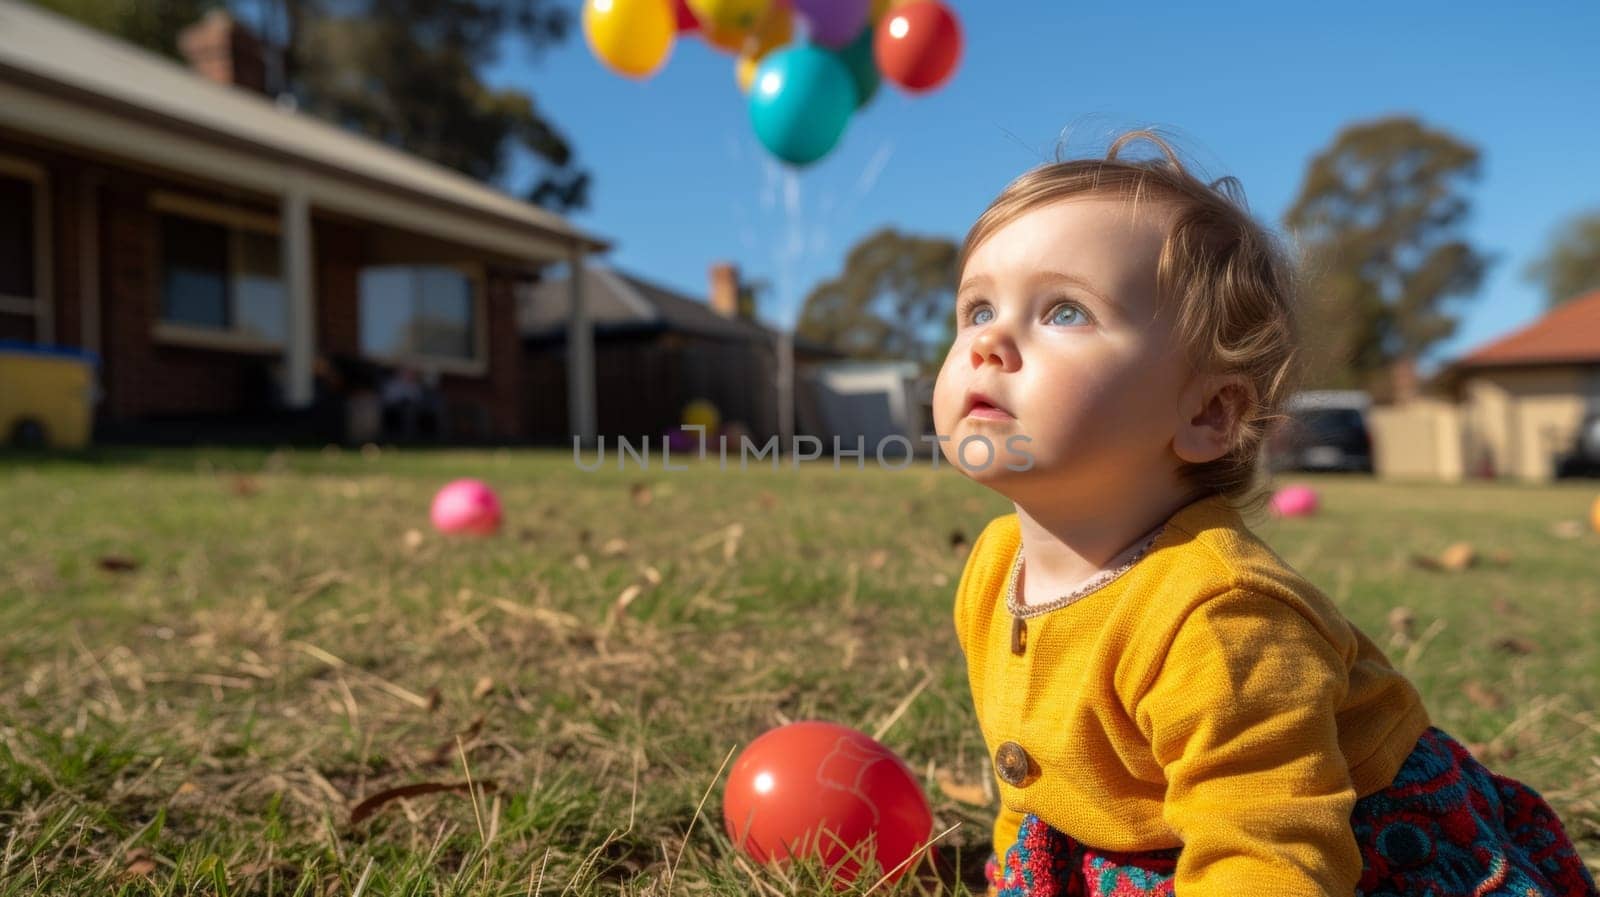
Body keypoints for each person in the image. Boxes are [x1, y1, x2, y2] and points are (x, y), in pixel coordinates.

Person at [933, 130, 1596, 897]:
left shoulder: (1218, 614)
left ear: (1210, 413)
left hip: (1345, 843)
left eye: (1065, 311)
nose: (988, 340)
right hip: (1165, 827)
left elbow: (1274, 854)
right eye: (976, 306)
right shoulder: (993, 565)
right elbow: (1035, 782)